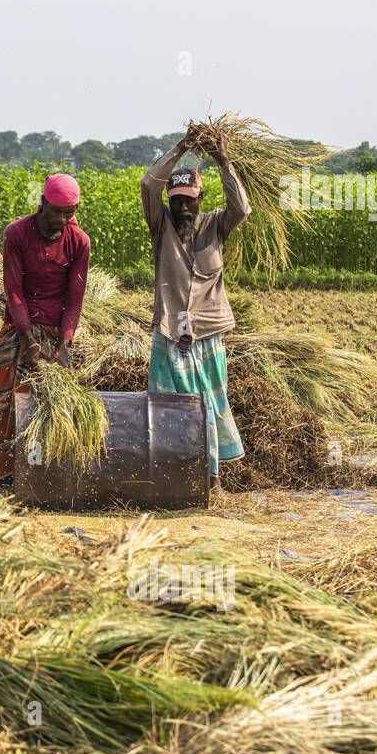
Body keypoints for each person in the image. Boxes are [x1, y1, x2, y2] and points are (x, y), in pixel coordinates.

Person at [140, 129, 250, 490]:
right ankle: (172, 475)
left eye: (189, 200)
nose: (183, 207)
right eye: (177, 201)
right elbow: (147, 183)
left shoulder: (217, 224)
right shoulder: (161, 226)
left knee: (208, 405)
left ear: (201, 197)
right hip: (171, 331)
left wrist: (222, 160)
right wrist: (182, 148)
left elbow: (242, 208)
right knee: (166, 405)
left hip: (206, 333)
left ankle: (212, 477)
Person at [0, 174, 91, 483]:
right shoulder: (17, 234)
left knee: (56, 405)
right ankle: (7, 476)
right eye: (56, 210)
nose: (62, 219)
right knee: (8, 402)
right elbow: (14, 291)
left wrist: (62, 346)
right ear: (43, 204)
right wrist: (29, 341)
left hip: (56, 331)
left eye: (69, 212)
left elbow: (74, 300)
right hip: (20, 327)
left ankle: (50, 478)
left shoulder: (79, 242)